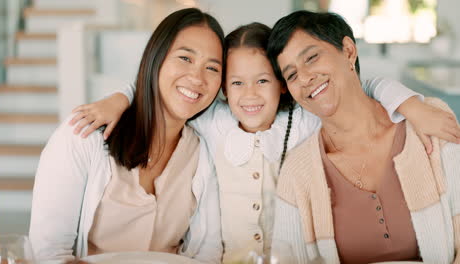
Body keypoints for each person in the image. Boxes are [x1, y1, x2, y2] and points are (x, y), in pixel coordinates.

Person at [67, 20, 460, 263]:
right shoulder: (215, 122)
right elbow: (168, 89)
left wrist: (409, 104)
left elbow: (361, 86)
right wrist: (120, 97)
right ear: (223, 90)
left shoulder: (304, 118)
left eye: (263, 81)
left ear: (283, 87)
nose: (249, 95)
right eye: (236, 83)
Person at [29, 8, 224, 264]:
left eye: (212, 67)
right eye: (185, 58)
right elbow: (48, 253)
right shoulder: (84, 135)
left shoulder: (203, 153)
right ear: (156, 58)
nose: (197, 78)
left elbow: (208, 253)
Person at [267, 10, 460, 264]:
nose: (304, 78)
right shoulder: (297, 174)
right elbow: (286, 259)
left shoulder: (427, 123)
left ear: (348, 51)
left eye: (311, 58)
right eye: (291, 74)